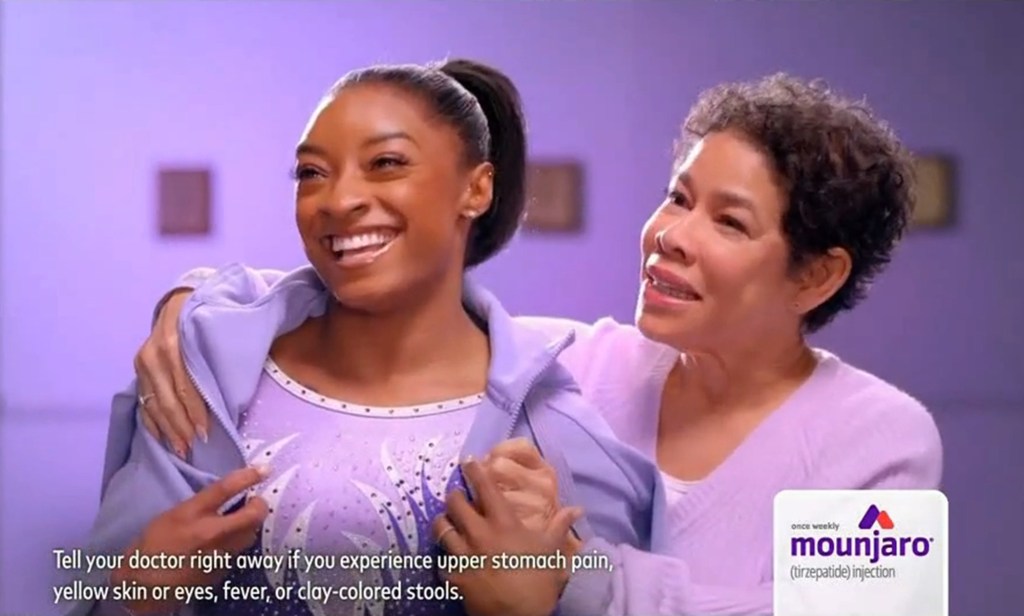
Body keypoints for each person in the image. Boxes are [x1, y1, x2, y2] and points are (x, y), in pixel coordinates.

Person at [136, 73, 944, 615]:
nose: (669, 236)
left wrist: (569, 579)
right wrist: (196, 304)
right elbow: (388, 294)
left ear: (816, 277)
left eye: (728, 221)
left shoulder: (880, 437)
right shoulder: (571, 366)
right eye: (677, 198)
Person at [66, 58, 669, 616]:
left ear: (476, 189)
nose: (340, 200)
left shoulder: (553, 436)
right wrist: (133, 597)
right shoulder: (200, 382)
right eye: (311, 173)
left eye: (386, 163)